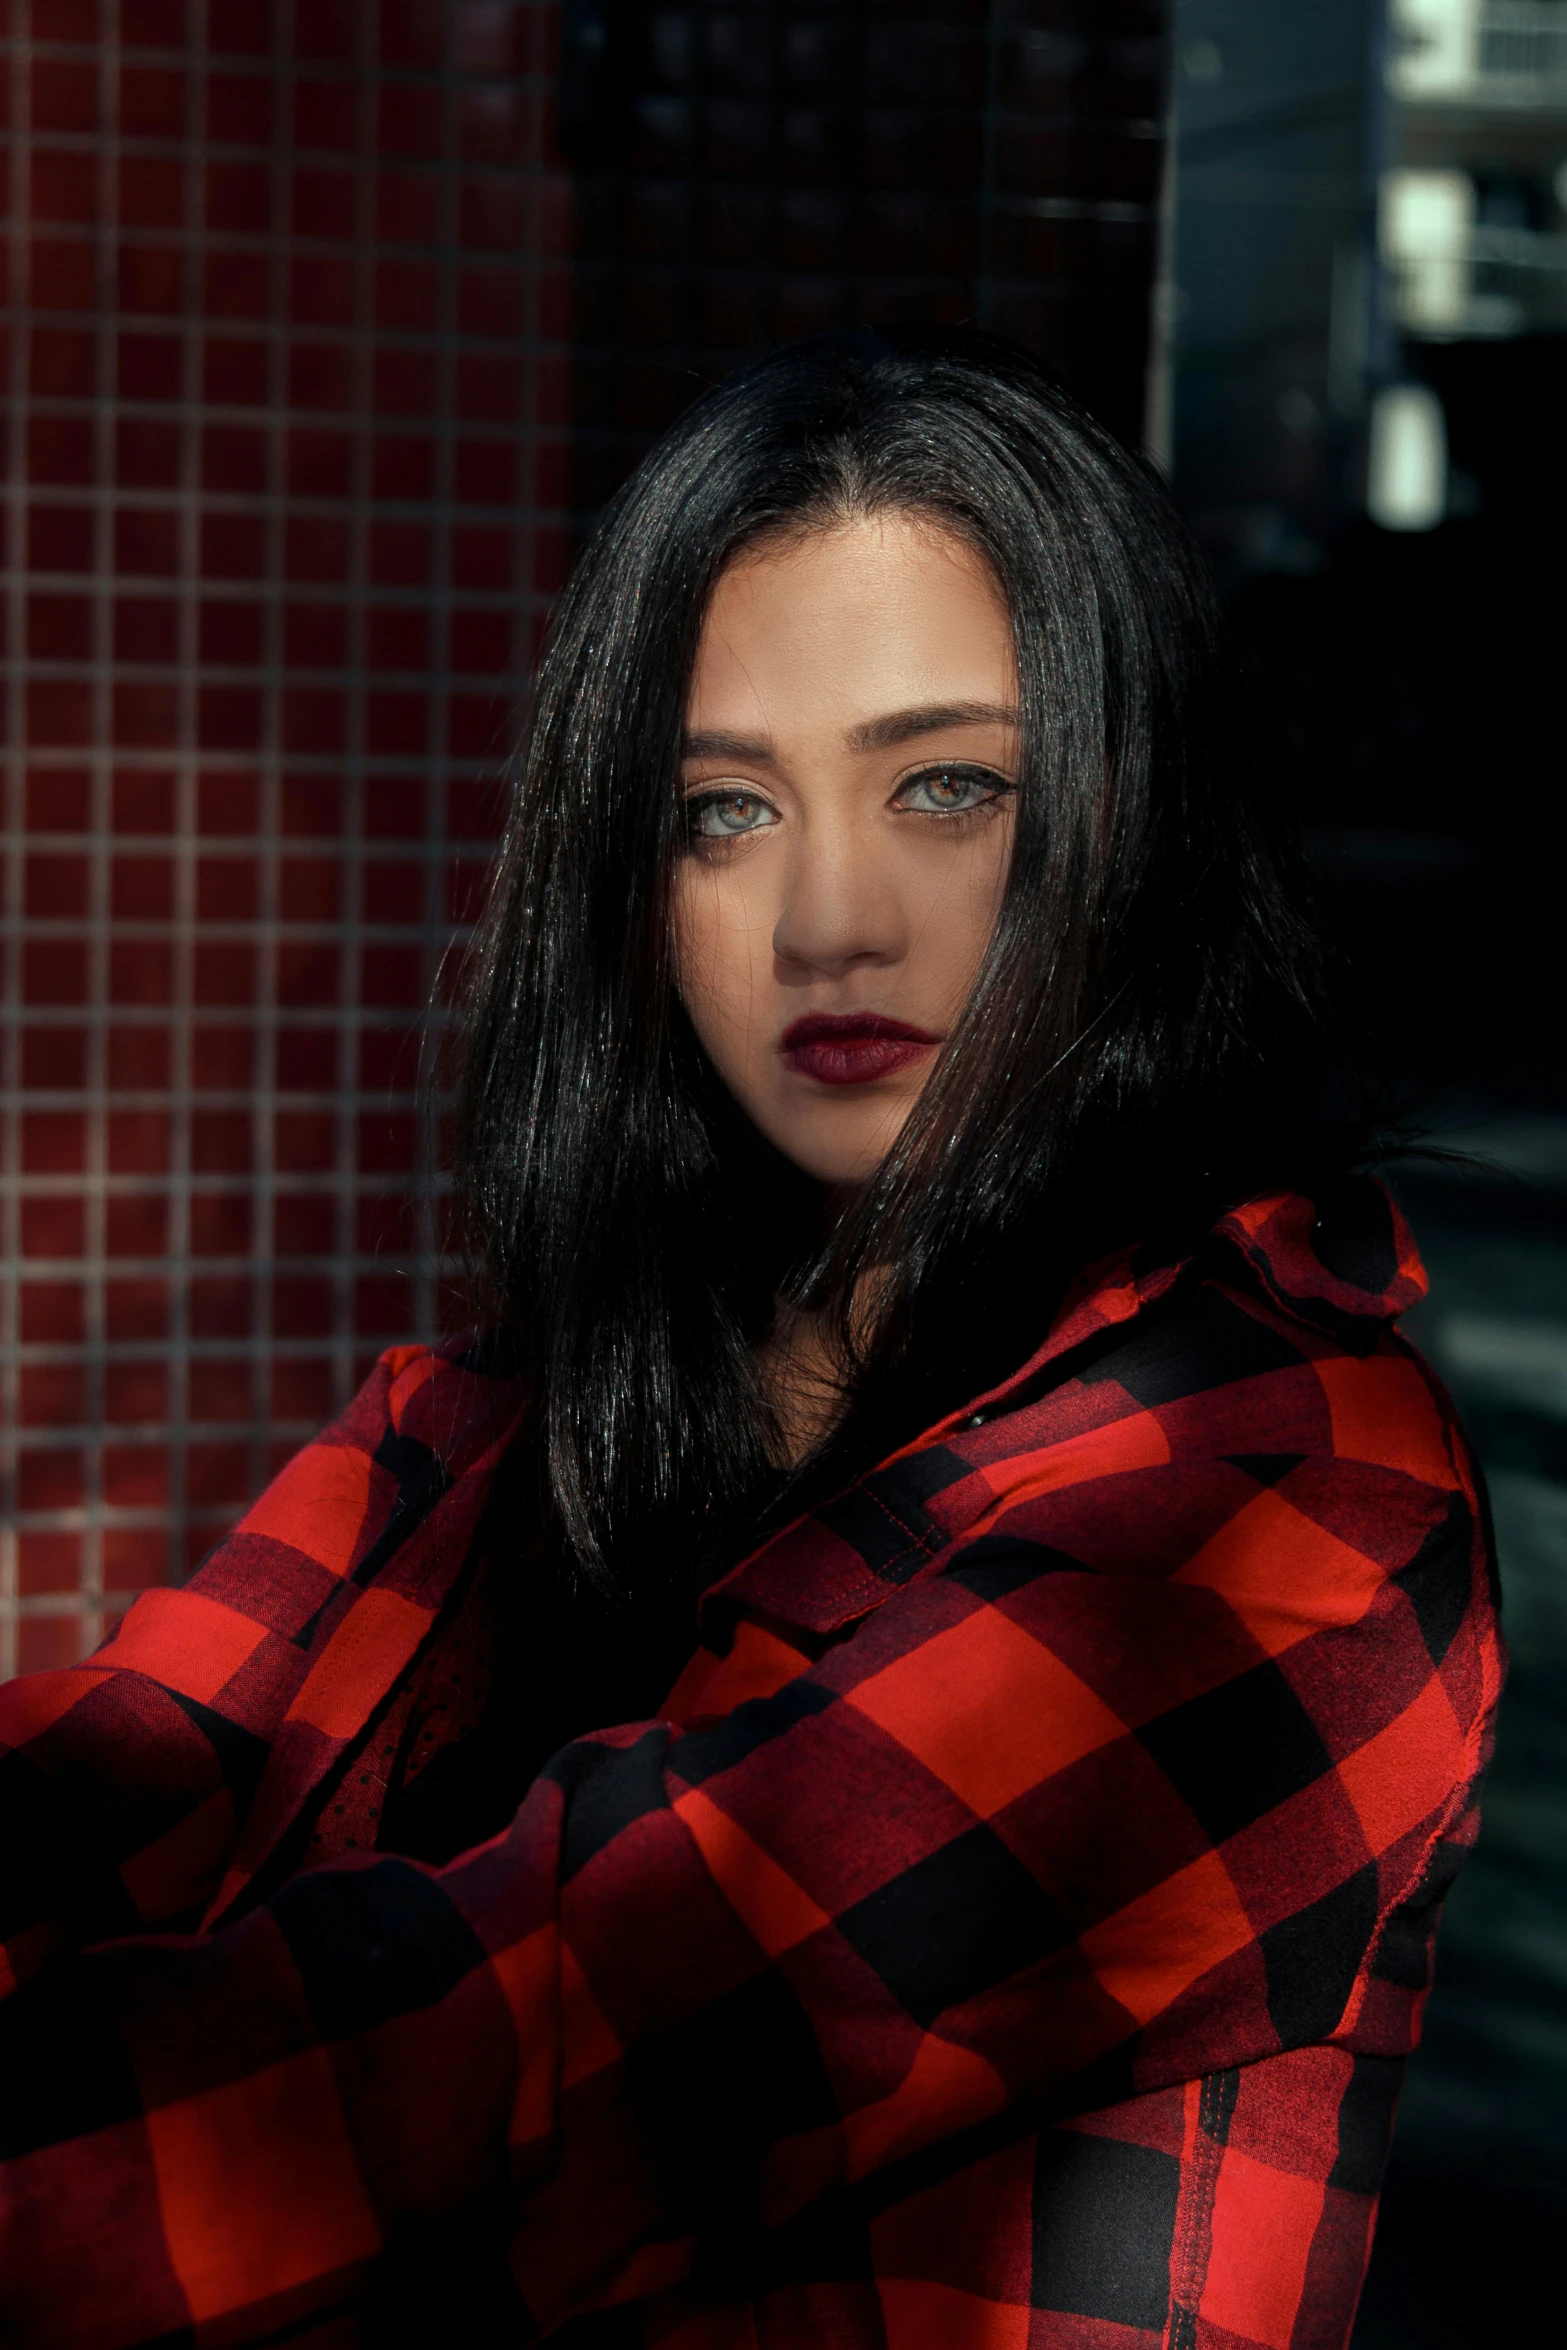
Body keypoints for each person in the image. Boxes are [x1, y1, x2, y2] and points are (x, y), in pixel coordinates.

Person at [0, 332, 1499, 2350]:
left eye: (947, 786)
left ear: (1135, 830)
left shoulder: (1280, 1502)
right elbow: (104, 1776)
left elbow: (531, 2062)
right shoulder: (482, 1426)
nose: (827, 920)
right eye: (723, 810)